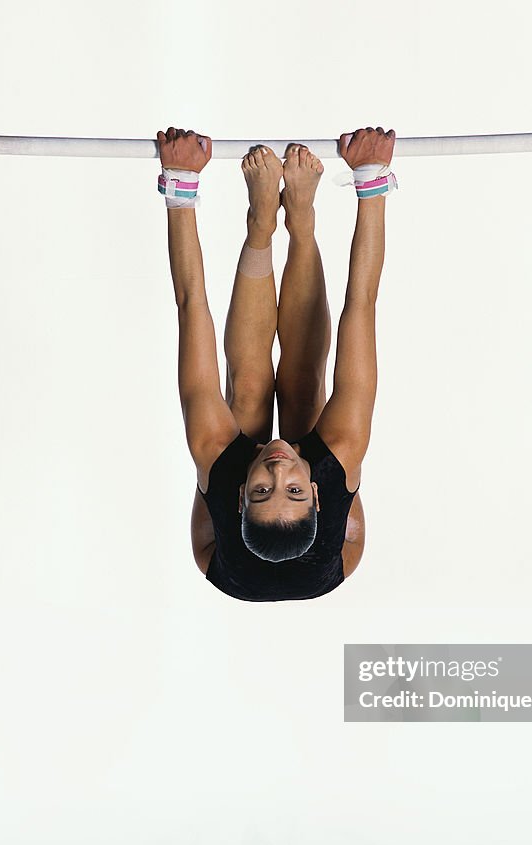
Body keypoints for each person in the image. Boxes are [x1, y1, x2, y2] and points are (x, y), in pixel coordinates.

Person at [158, 124, 397, 601]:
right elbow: (362, 304)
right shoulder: (341, 456)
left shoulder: (217, 462)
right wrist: (372, 176)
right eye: (294, 489)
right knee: (306, 391)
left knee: (245, 389)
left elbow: (190, 304)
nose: (278, 469)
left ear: (240, 499)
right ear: (319, 496)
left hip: (222, 558)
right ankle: (302, 222)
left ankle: (262, 224)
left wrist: (179, 182)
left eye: (263, 490)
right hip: (334, 552)